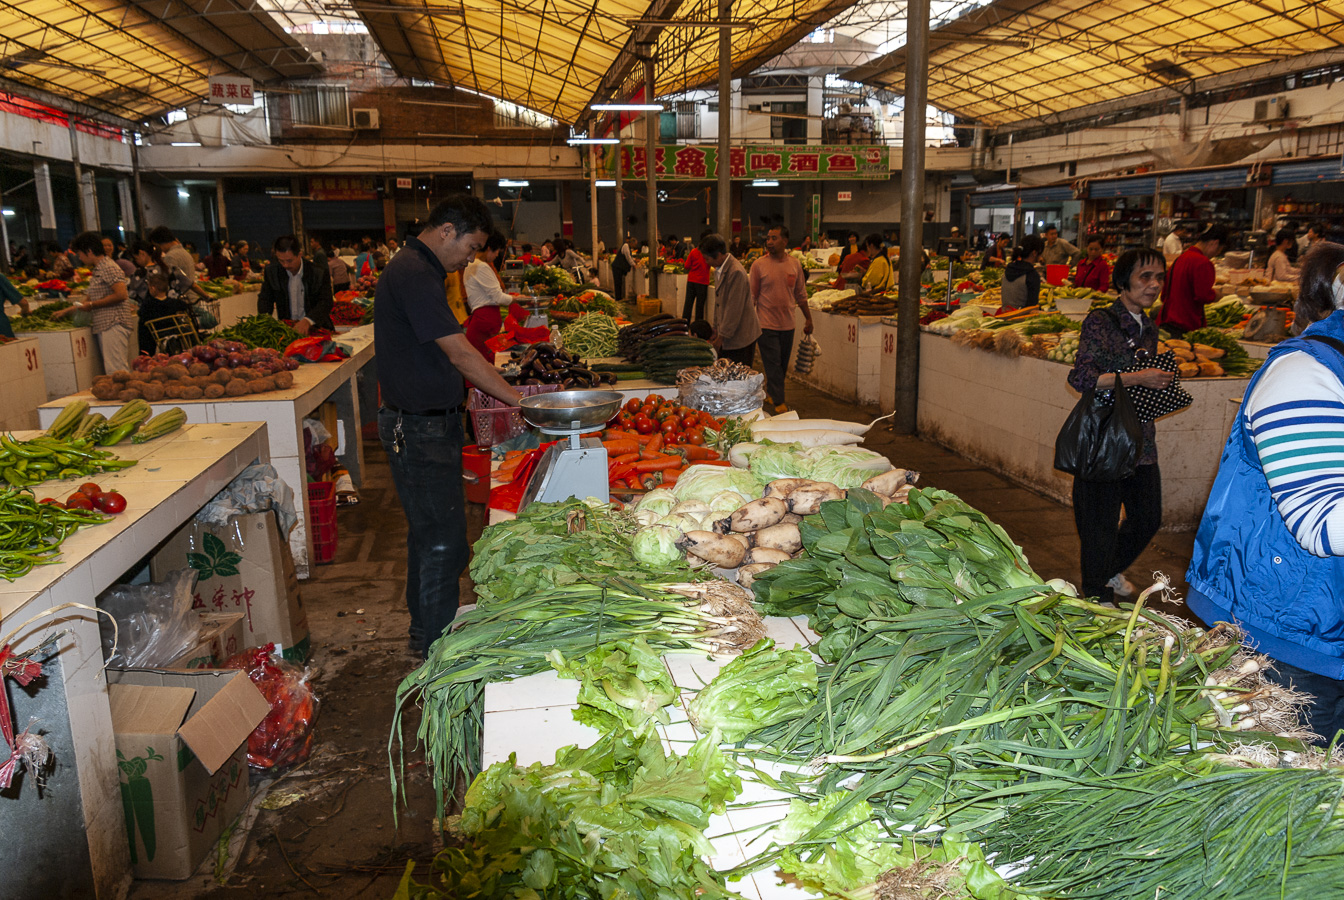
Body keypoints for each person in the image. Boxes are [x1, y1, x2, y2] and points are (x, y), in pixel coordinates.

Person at [1185, 242, 1344, 745]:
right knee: (1297, 806)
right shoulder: (1306, 374)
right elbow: (1321, 520)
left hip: (1325, 628)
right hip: (1292, 635)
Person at [374, 196, 522, 656]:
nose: (472, 258)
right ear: (446, 231)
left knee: (429, 537)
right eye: (471, 247)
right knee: (444, 546)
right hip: (417, 430)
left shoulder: (417, 268)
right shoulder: (415, 273)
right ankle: (437, 651)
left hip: (420, 425)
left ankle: (424, 634)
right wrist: (522, 403)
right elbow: (459, 353)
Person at [1067, 248, 1175, 605]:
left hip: (1141, 439)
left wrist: (1159, 384)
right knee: (1099, 525)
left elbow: (1136, 382)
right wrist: (1140, 376)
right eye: (1145, 277)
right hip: (1105, 439)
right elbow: (1083, 377)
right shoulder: (1100, 321)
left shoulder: (1150, 326)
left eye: (1159, 277)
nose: (1154, 285)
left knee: (1147, 518)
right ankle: (1096, 594)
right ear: (1123, 280)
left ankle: (1103, 572)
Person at [50, 231, 136, 372]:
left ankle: (125, 394)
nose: (79, 258)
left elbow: (121, 294)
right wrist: (65, 311)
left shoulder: (108, 267)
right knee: (113, 369)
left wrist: (91, 305)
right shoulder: (99, 269)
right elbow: (88, 300)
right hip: (107, 324)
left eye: (80, 254)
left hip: (114, 323)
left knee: (117, 370)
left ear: (89, 251)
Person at [750, 225, 813, 412]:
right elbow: (752, 297)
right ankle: (779, 403)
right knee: (773, 363)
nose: (769, 242)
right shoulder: (758, 265)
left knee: (782, 365)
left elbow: (801, 294)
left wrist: (809, 319)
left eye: (774, 238)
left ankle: (771, 392)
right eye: (768, 238)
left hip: (788, 324)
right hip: (765, 324)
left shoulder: (794, 264)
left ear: (785, 241)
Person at [1157, 224, 1226, 338]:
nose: (1216, 254)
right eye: (1219, 250)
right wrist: (1216, 295)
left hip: (1166, 321)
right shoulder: (1202, 262)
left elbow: (1164, 294)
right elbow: (1203, 295)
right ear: (1214, 243)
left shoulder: (1181, 258)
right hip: (1186, 324)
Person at [699, 234, 758, 367]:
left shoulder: (735, 272)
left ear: (719, 255)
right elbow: (719, 302)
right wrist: (715, 327)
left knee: (738, 376)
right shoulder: (719, 269)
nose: (706, 262)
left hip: (741, 336)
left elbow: (734, 309)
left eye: (707, 258)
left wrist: (721, 337)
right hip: (729, 333)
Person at [258, 234, 334, 334]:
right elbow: (265, 300)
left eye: (289, 261)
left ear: (299, 254)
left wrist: (308, 320)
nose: (285, 265)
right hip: (287, 330)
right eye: (281, 260)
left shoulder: (318, 272)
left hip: (316, 328)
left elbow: (326, 302)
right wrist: (265, 323)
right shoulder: (272, 272)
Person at [463, 232, 513, 360]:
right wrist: (517, 299)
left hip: (482, 319)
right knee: (482, 362)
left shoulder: (473, 265)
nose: (497, 256)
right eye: (497, 252)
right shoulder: (480, 266)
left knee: (481, 360)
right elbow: (499, 297)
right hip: (484, 320)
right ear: (489, 248)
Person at [149, 226, 209, 302]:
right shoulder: (185, 252)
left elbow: (170, 282)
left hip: (183, 301)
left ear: (160, 243)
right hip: (192, 298)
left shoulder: (170, 256)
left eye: (156, 246)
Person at [1001, 235, 1044, 309]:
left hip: (1004, 314)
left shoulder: (1009, 268)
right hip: (1021, 318)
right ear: (1034, 253)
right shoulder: (1031, 274)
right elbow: (1031, 307)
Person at [682, 237, 711, 322]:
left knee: (688, 304)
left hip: (691, 280)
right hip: (702, 281)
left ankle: (684, 324)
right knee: (699, 306)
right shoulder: (707, 253)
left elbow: (686, 266)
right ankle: (698, 326)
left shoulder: (693, 251)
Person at [1, 272, 30, 338]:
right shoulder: (0, 278)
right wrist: (25, 312)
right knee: (8, 347)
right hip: (1, 327)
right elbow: (23, 303)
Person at [612, 235, 635, 301]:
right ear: (631, 243)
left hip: (619, 267)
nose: (634, 246)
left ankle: (619, 297)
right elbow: (627, 256)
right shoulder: (625, 246)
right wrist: (633, 264)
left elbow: (629, 257)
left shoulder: (627, 247)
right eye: (634, 244)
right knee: (618, 283)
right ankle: (618, 298)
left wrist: (634, 260)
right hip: (617, 267)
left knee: (619, 283)